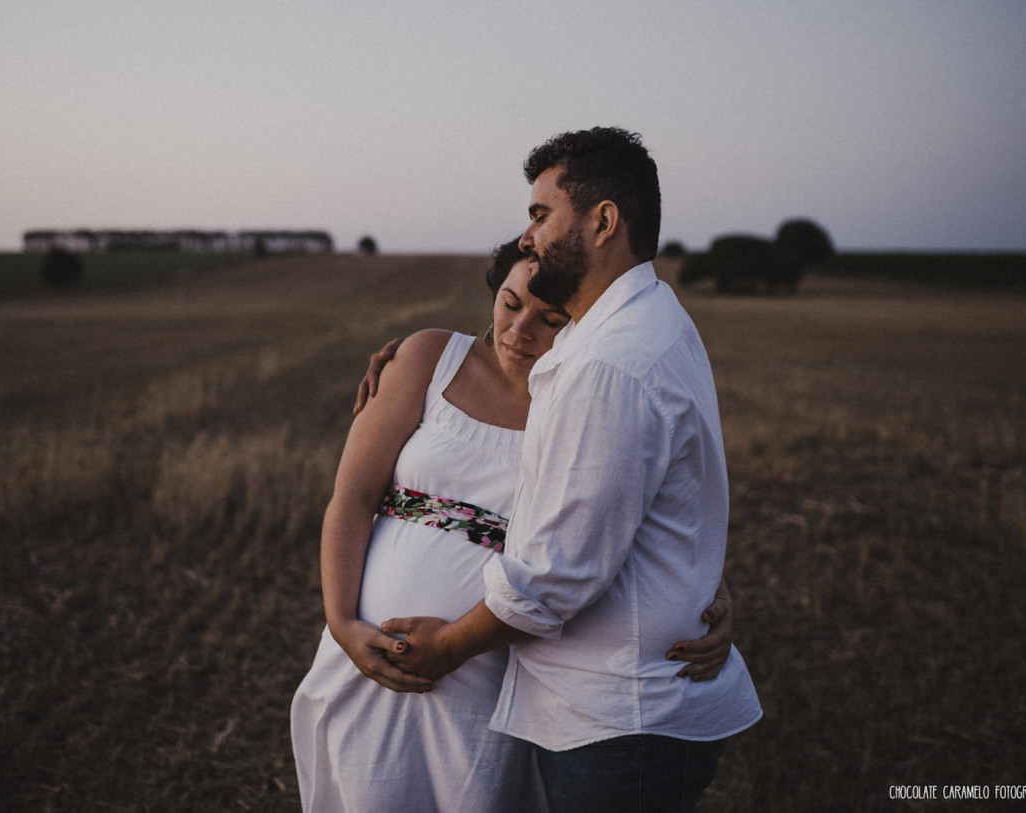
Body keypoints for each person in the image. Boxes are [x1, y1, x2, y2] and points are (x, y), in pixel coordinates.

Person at [381, 128, 761, 812]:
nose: (526, 238)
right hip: (620, 713)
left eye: (539, 215)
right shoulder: (647, 320)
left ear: (603, 221)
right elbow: (640, 495)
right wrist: (420, 360)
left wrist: (444, 647)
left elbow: (552, 575)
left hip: (622, 723)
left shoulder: (611, 363)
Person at [290, 237, 735, 812]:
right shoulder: (428, 356)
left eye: (549, 319)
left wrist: (707, 592)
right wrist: (342, 623)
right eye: (509, 303)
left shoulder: (586, 398)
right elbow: (352, 496)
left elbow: (639, 517)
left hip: (488, 670)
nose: (519, 331)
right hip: (369, 655)